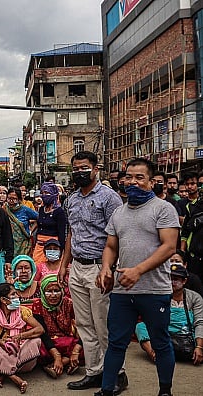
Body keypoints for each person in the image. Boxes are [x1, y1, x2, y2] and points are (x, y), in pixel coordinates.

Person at [95, 157, 180, 396]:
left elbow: (169, 246)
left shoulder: (164, 209)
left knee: (161, 342)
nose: (132, 182)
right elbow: (111, 246)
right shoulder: (119, 213)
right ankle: (107, 389)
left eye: (139, 177)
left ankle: (165, 390)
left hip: (155, 290)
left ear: (152, 182)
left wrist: (138, 270)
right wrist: (105, 268)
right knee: (116, 343)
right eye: (129, 177)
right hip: (123, 290)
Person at [59, 150, 124, 393]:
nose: (79, 172)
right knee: (85, 324)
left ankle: (117, 374)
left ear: (96, 169)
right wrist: (65, 265)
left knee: (103, 324)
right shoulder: (71, 199)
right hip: (77, 267)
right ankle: (94, 372)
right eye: (75, 169)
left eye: (84, 167)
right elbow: (70, 234)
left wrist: (109, 268)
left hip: (100, 268)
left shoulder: (110, 198)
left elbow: (117, 236)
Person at [0, 282, 43, 393]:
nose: (17, 296)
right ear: (3, 300)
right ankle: (14, 377)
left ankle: (3, 373)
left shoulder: (22, 311)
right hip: (1, 353)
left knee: (36, 340)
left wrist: (20, 336)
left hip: (20, 354)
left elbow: (40, 329)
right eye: (13, 294)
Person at [135, 263, 203, 365]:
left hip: (188, 334)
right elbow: (152, 320)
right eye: (169, 278)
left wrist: (199, 347)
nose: (172, 282)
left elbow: (199, 322)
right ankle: (155, 354)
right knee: (141, 327)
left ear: (184, 281)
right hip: (165, 333)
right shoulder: (159, 294)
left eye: (176, 279)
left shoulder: (194, 297)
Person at [31, 274, 82, 378]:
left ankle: (59, 364)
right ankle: (65, 362)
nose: (53, 295)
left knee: (87, 345)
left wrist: (76, 351)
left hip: (67, 341)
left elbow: (83, 326)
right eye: (49, 291)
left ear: (62, 291)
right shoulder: (37, 304)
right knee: (36, 348)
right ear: (43, 292)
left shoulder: (69, 303)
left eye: (57, 291)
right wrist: (57, 355)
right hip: (47, 342)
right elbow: (43, 333)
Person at [33, 182, 66, 265]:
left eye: (47, 193)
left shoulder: (59, 212)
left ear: (54, 194)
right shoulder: (41, 210)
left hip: (52, 248)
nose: (44, 195)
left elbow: (61, 234)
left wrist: (60, 252)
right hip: (39, 247)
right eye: (42, 193)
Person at [5, 187, 38, 257]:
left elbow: (39, 218)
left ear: (19, 199)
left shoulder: (25, 209)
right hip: (9, 244)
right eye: (9, 198)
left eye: (14, 199)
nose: (11, 201)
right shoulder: (4, 209)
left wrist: (31, 231)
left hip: (23, 245)